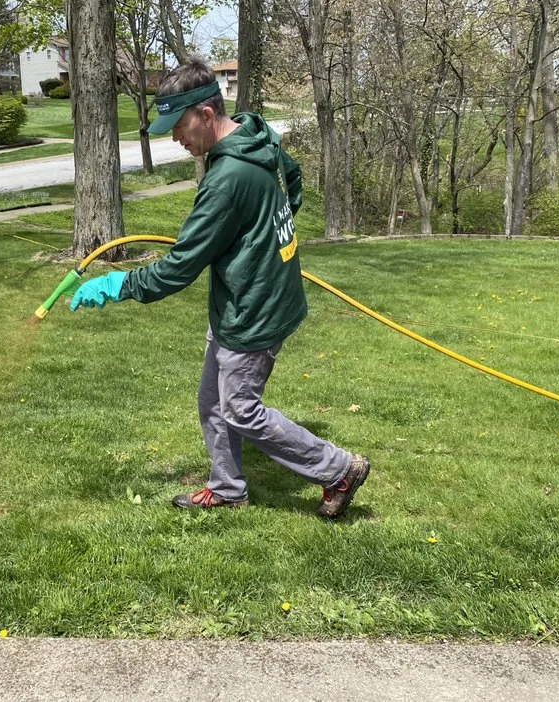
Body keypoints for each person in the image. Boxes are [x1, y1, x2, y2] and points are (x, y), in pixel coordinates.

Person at [69, 58, 370, 519]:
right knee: (214, 400)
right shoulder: (256, 134)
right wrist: (266, 231)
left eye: (179, 126)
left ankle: (338, 469)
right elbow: (291, 178)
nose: (175, 138)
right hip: (253, 294)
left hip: (254, 309)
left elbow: (179, 268)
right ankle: (228, 487)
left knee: (241, 409)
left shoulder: (227, 179)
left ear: (206, 114)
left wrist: (119, 284)